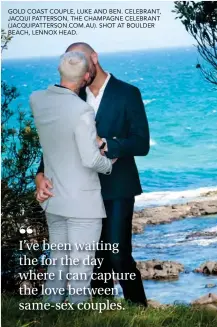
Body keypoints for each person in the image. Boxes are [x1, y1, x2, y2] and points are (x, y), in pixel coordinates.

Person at [35, 42, 150, 307]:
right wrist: (41, 174)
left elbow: (141, 142)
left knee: (119, 255)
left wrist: (107, 143)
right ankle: (99, 312)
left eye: (84, 61)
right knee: (93, 258)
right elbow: (57, 145)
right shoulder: (72, 96)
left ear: (95, 58)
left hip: (118, 187)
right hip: (80, 191)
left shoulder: (128, 93)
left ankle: (139, 309)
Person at [30, 51, 113, 304]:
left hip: (54, 197)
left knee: (58, 262)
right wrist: (109, 164)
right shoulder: (82, 110)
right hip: (82, 203)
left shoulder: (37, 100)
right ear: (87, 77)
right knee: (81, 268)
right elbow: (90, 159)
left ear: (59, 71)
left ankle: (50, 311)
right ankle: (77, 316)